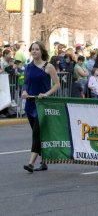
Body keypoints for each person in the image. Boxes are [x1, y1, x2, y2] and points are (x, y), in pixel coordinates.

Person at [22, 41, 60, 173]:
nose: (34, 51)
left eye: (37, 49)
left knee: (37, 134)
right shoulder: (28, 67)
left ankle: (31, 163)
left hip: (42, 104)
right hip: (30, 104)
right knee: (38, 134)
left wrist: (46, 94)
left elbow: (56, 84)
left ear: (42, 51)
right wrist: (24, 92)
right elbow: (25, 83)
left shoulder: (48, 67)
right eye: (32, 49)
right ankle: (44, 162)